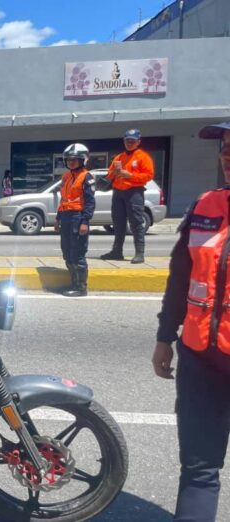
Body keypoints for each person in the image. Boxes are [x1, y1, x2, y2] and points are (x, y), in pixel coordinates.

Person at [153, 120, 230, 522]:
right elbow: (180, 278)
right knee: (199, 471)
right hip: (201, 356)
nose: (228, 157)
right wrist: (165, 337)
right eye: (226, 148)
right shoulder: (205, 206)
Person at [100, 129, 154, 264]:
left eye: (132, 141)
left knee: (136, 222)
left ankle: (139, 253)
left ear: (138, 142)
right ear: (124, 141)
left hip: (134, 191)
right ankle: (117, 251)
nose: (129, 143)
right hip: (118, 192)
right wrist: (111, 175)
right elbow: (110, 175)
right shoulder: (118, 157)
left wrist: (130, 175)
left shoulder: (143, 157)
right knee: (118, 223)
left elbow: (149, 175)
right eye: (127, 140)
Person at [54, 144, 95, 297]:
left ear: (82, 160)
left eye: (75, 160)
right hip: (66, 216)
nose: (71, 162)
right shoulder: (66, 176)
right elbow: (64, 199)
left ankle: (81, 287)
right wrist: (58, 219)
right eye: (69, 160)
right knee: (67, 252)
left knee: (77, 253)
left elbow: (90, 202)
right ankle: (73, 283)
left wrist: (85, 221)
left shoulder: (86, 177)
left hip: (78, 217)